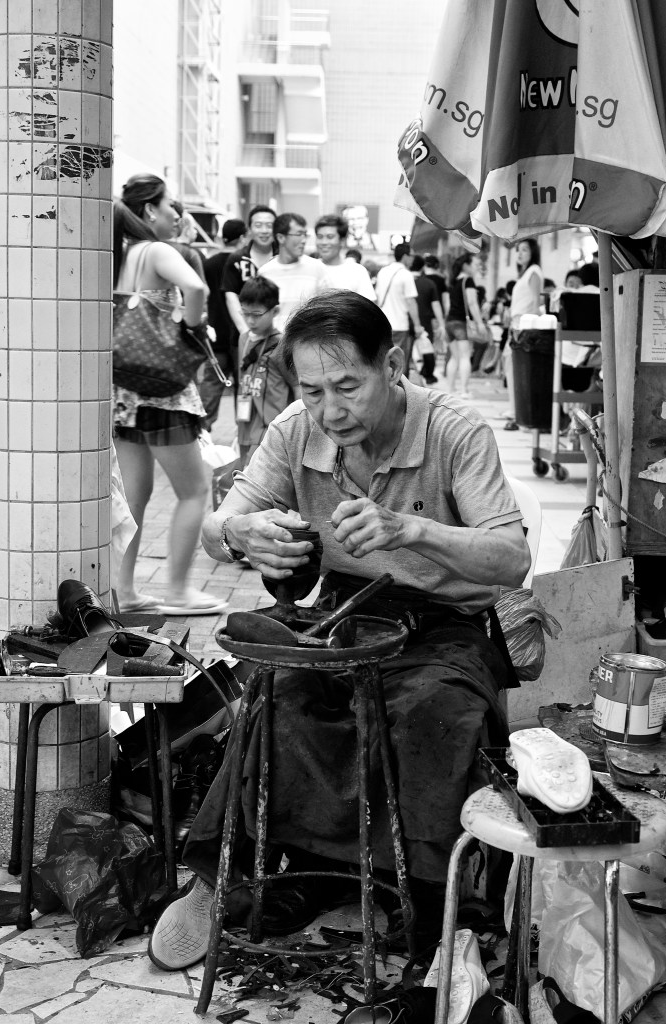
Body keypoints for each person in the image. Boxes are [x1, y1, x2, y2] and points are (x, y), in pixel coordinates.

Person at [147, 291, 529, 971]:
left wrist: (409, 528)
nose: (331, 409)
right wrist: (243, 535)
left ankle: (429, 902)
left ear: (395, 364)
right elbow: (215, 528)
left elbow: (511, 557)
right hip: (348, 611)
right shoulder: (297, 429)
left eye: (349, 385)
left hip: (449, 624)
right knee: (282, 697)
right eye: (313, 389)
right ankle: (225, 878)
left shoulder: (453, 430)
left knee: (431, 713)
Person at [112, 174, 227, 616]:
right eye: (172, 206)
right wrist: (191, 329)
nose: (179, 215)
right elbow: (198, 288)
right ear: (149, 212)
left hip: (126, 391)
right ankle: (178, 589)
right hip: (163, 393)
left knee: (134, 498)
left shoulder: (124, 256)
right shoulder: (158, 251)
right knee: (194, 490)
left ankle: (124, 591)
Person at [236, 276, 298, 465]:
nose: (250, 320)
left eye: (256, 314)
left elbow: (297, 385)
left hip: (271, 429)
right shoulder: (243, 338)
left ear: (275, 311)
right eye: (245, 313)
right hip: (245, 427)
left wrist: (298, 427)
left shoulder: (282, 344)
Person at [200, 218, 248, 432]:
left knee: (210, 388)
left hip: (216, 336)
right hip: (242, 337)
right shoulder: (244, 264)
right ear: (242, 238)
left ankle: (201, 434)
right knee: (245, 391)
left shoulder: (208, 264)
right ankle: (244, 436)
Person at [258, 212, 328, 331]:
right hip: (274, 344)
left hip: (306, 342)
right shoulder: (265, 273)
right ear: (281, 238)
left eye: (305, 235)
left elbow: (327, 308)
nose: (304, 240)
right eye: (299, 234)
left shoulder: (317, 268)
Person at [504, 238, 543, 432]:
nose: (520, 253)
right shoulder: (525, 273)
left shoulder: (534, 272)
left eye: (525, 250)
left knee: (519, 372)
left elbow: (536, 304)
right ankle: (515, 411)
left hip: (524, 328)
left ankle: (520, 414)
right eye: (518, 250)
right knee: (511, 369)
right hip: (516, 326)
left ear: (533, 252)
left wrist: (529, 329)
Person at [222, 205, 277, 339]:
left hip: (280, 335)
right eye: (258, 225)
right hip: (245, 333)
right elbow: (231, 296)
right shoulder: (237, 259)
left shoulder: (282, 257)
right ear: (250, 229)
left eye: (269, 225)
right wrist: (246, 332)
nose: (264, 231)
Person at [374, 242, 424, 373]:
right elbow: (411, 301)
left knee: (383, 360)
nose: (413, 259)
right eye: (412, 255)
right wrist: (418, 325)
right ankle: (398, 390)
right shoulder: (405, 274)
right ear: (406, 256)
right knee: (398, 363)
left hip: (382, 324)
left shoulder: (383, 271)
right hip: (399, 325)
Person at [444, 252, 486, 397]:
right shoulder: (468, 281)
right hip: (461, 323)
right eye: (475, 264)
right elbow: (472, 303)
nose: (477, 267)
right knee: (465, 356)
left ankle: (449, 389)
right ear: (466, 265)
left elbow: (448, 304)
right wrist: (480, 323)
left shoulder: (453, 281)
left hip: (449, 322)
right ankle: (464, 390)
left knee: (454, 357)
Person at [315, 214, 376, 300]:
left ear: (342, 241)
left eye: (330, 237)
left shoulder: (357, 271)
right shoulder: (309, 269)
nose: (324, 242)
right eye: (320, 237)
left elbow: (368, 309)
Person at [410, 254, 444, 384]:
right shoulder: (429, 283)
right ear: (422, 267)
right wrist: (441, 324)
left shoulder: (405, 280)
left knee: (407, 351)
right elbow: (436, 305)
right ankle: (428, 375)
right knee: (427, 349)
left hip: (406, 322)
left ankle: (409, 376)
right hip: (425, 321)